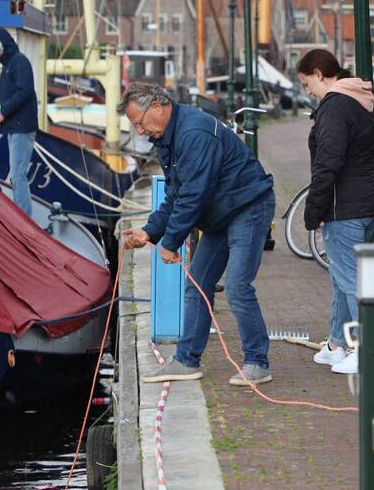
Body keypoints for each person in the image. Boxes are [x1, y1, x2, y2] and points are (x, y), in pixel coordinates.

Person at [119, 83, 277, 386]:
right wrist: (149, 232)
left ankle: (258, 362)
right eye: (134, 125)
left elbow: (193, 195)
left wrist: (170, 242)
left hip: (248, 205)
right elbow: (175, 195)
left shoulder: (193, 134)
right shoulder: (168, 138)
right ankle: (186, 361)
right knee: (198, 284)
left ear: (156, 107)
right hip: (221, 212)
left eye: (139, 122)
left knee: (237, 286)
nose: (139, 131)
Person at [296, 49, 374, 375]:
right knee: (341, 275)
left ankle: (366, 349)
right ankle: (337, 343)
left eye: (307, 82)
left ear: (320, 74)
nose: (307, 90)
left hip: (343, 207)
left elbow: (328, 163)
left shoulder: (334, 107)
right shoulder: (365, 102)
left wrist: (314, 209)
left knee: (350, 280)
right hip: (367, 205)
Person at [0, 28, 37, 216]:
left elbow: (23, 92)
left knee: (17, 176)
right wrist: (1, 117)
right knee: (16, 175)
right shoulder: (9, 65)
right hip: (15, 127)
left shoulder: (19, 62)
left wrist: (2, 113)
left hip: (22, 128)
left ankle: (24, 220)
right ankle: (22, 216)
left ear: (1, 46)